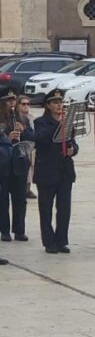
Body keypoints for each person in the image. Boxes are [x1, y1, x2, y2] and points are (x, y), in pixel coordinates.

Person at [34, 89, 78, 254]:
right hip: (47, 171)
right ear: (48, 105)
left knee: (64, 209)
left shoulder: (67, 122)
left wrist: (73, 149)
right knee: (46, 209)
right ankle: (49, 242)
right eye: (55, 103)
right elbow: (41, 139)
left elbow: (72, 142)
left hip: (64, 171)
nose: (59, 105)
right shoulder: (41, 122)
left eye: (61, 102)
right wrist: (59, 125)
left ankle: (61, 241)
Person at [0, 89, 34, 242]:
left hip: (19, 162)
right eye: (8, 101)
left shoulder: (23, 119)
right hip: (3, 164)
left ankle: (19, 230)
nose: (12, 104)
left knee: (20, 198)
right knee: (3, 200)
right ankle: (4, 231)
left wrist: (24, 131)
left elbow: (33, 138)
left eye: (13, 100)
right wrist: (7, 137)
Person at [15, 95, 36, 199]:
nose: (26, 106)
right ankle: (24, 190)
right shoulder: (15, 117)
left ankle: (28, 189)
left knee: (31, 169)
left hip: (32, 146)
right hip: (21, 147)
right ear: (18, 105)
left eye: (28, 104)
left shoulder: (31, 117)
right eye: (23, 104)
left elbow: (34, 133)